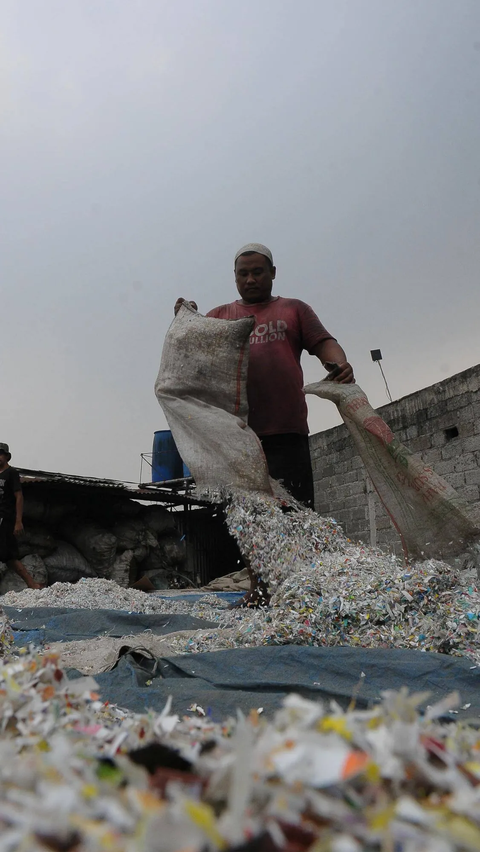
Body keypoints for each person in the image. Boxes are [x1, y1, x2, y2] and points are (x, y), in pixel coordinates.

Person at [175, 243, 354, 604]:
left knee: (297, 516)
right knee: (253, 520)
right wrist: (186, 317)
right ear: (235, 277)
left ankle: (303, 591)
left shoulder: (293, 310)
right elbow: (191, 346)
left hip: (287, 431)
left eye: (258, 272)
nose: (251, 279)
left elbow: (325, 343)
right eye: (243, 273)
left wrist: (339, 363)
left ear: (273, 273)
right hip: (239, 437)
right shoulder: (222, 315)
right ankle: (260, 590)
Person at [0, 443, 43, 590]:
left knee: (10, 557)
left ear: (6, 457)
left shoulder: (11, 473)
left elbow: (19, 496)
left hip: (6, 520)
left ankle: (32, 584)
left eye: (1, 454)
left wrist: (18, 521)